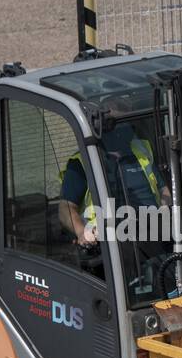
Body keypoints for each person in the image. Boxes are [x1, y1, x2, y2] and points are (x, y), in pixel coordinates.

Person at [58, 99, 170, 252]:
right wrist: (82, 232)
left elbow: (164, 189)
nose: (126, 129)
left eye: (128, 123)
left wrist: (166, 210)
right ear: (104, 128)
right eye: (119, 124)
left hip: (152, 232)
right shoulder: (83, 162)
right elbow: (66, 207)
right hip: (109, 243)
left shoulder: (142, 150)